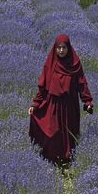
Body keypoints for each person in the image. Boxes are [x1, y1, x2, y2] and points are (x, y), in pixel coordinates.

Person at [28, 33, 93, 167]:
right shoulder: (50, 64)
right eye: (59, 48)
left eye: (64, 47)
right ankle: (51, 160)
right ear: (55, 48)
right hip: (53, 105)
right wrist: (35, 104)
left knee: (69, 134)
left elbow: (82, 83)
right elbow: (43, 87)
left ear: (69, 48)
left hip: (69, 106)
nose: (61, 50)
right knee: (53, 133)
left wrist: (87, 101)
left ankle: (67, 161)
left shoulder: (75, 64)